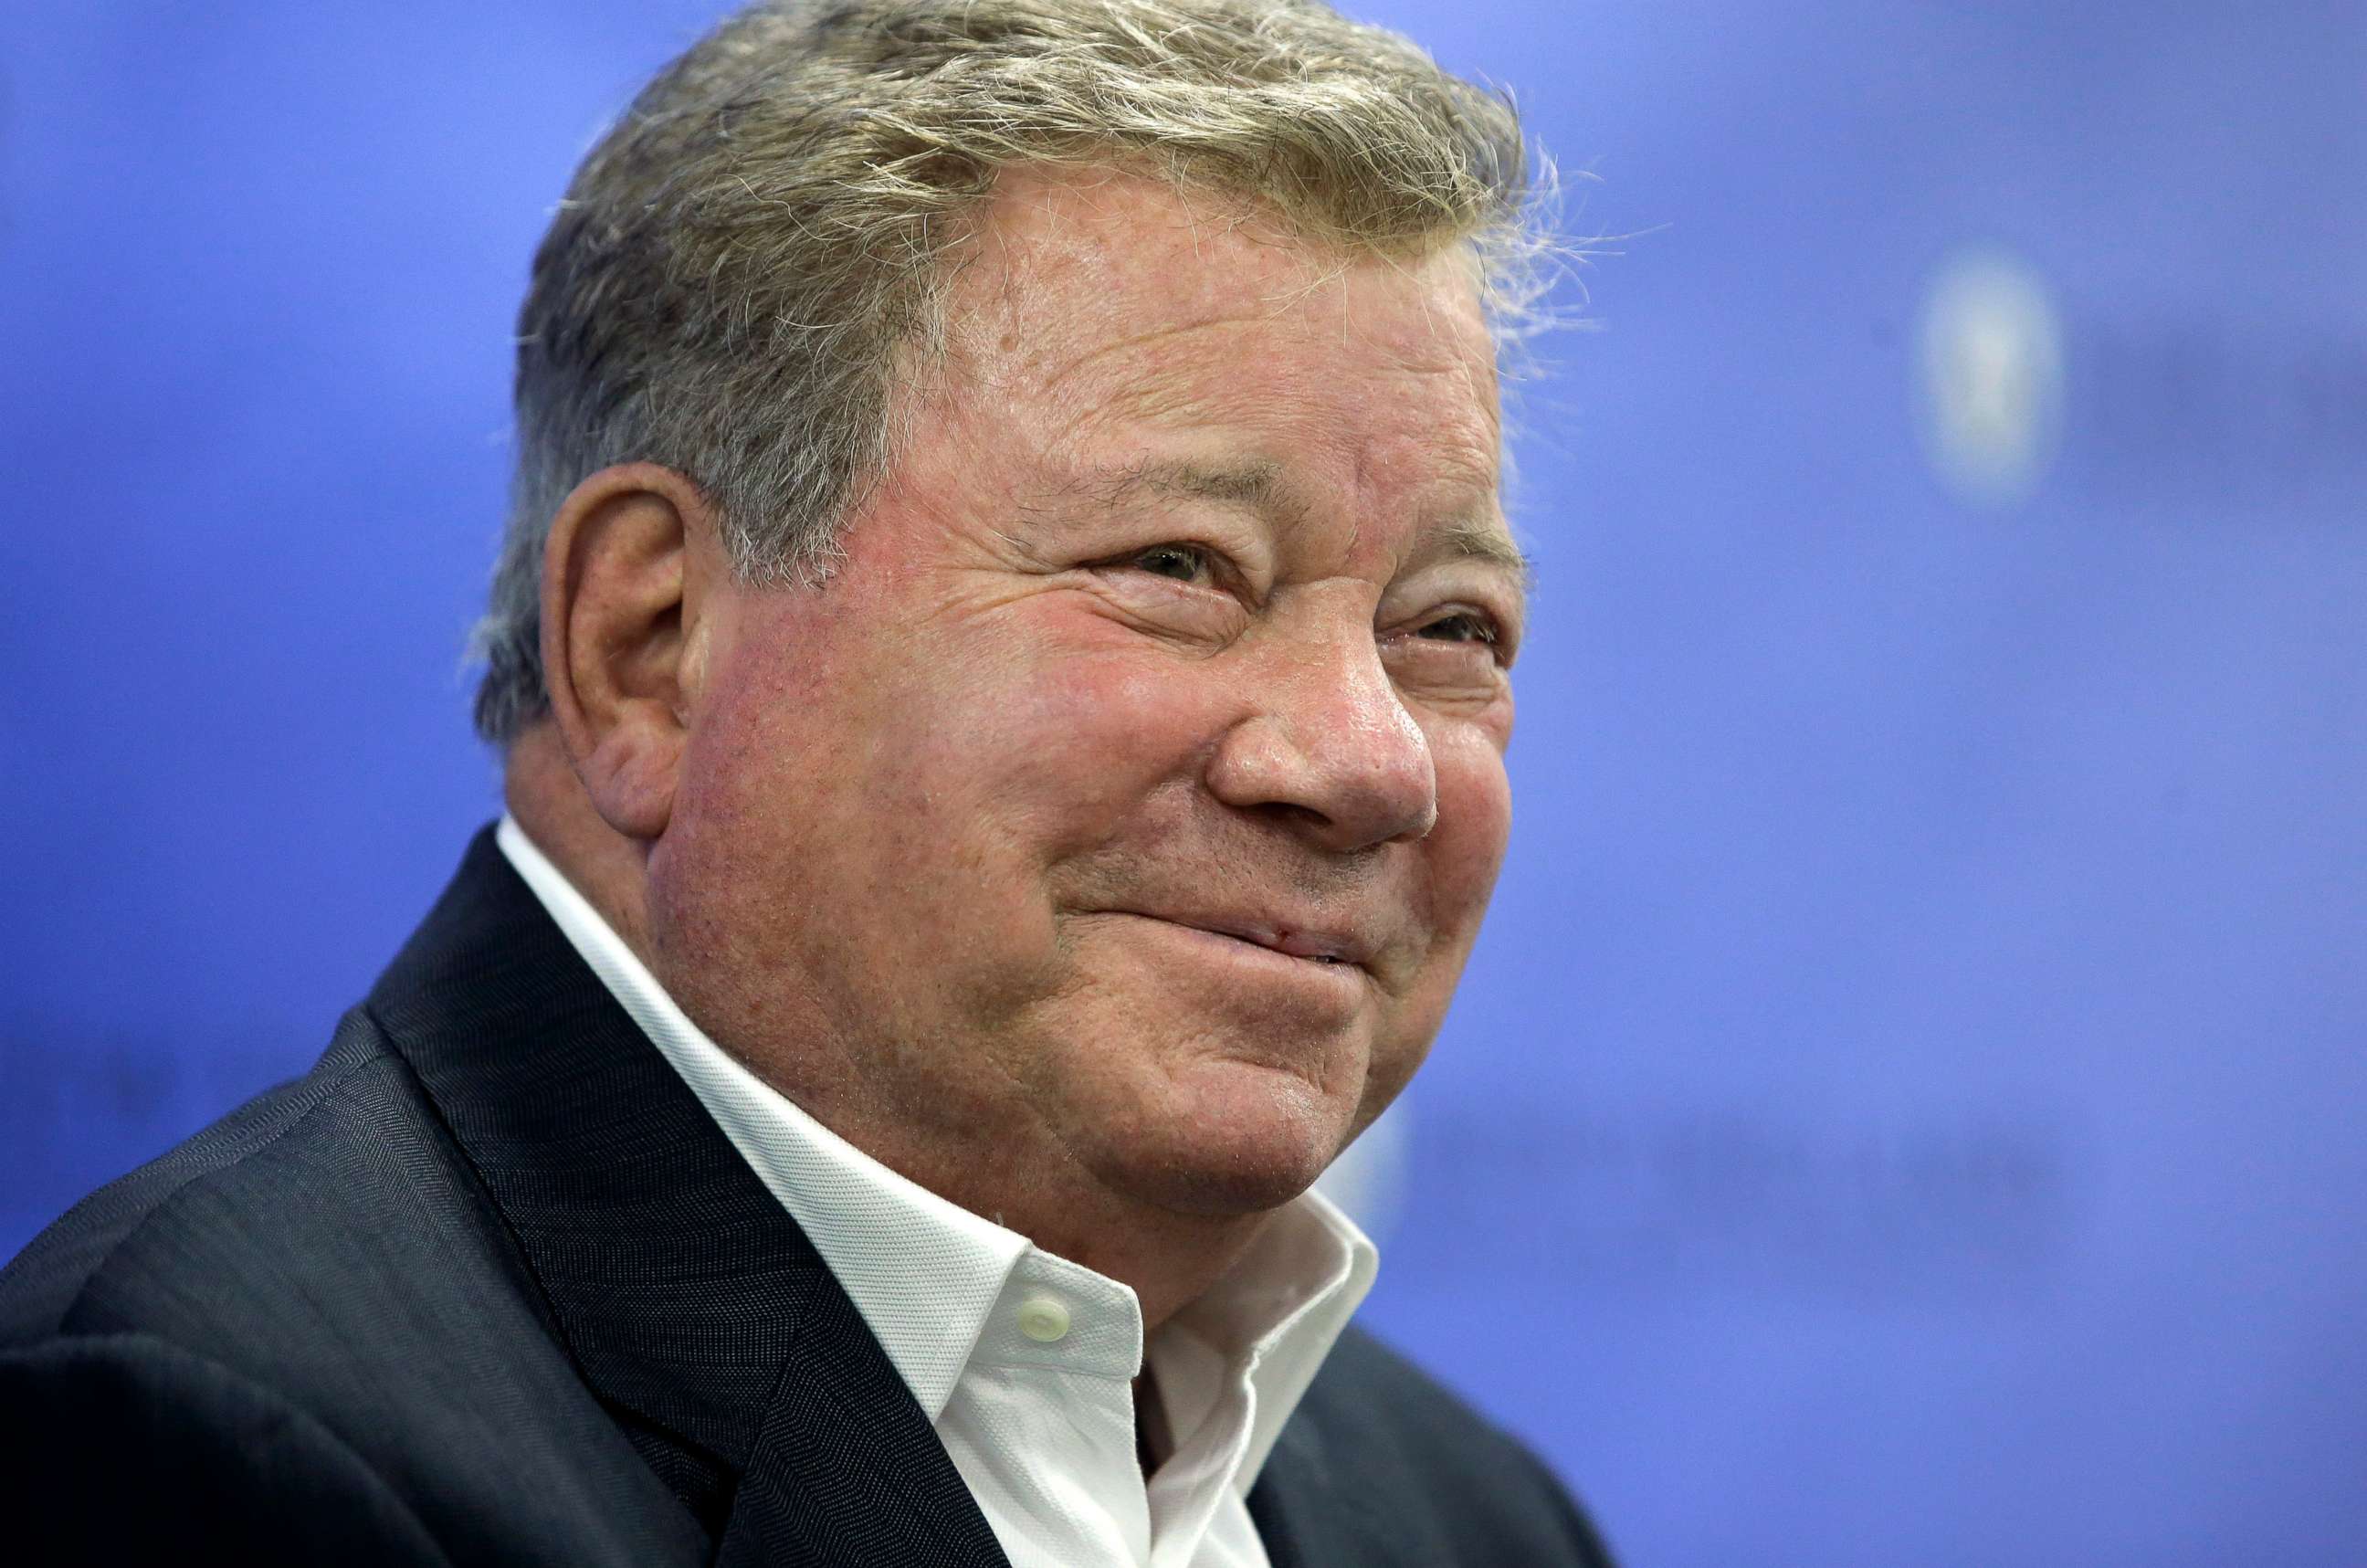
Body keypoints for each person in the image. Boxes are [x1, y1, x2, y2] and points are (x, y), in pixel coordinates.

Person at [0, 2, 1614, 1563]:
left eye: (1451, 626)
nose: (1368, 758)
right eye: (1181, 566)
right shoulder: (209, 1445)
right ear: (654, 645)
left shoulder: (1476, 1523)